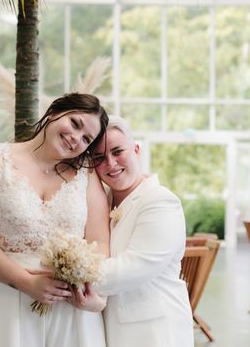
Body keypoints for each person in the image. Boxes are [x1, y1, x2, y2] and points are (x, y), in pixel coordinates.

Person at [0, 93, 111, 347]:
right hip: (1, 300)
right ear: (54, 112)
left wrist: (89, 288)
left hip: (68, 310)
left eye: (86, 139)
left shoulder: (87, 176)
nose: (75, 138)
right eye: (75, 123)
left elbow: (100, 243)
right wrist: (26, 282)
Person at [73, 116, 194, 347]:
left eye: (117, 151)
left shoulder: (161, 202)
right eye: (99, 157)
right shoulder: (101, 203)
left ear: (136, 149)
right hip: (110, 330)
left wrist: (67, 279)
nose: (110, 163)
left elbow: (131, 269)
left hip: (154, 333)